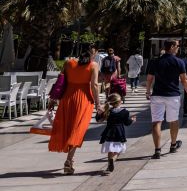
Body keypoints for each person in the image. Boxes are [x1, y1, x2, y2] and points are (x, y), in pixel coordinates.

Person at [48, 45, 100, 175]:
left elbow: (60, 82)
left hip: (67, 98)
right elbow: (94, 85)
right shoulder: (93, 65)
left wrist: (53, 100)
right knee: (78, 130)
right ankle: (69, 160)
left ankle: (70, 159)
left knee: (70, 128)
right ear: (93, 54)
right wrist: (98, 104)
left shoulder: (68, 63)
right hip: (84, 100)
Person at [146, 39, 187, 159]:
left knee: (156, 122)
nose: (178, 48)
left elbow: (149, 78)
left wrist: (148, 91)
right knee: (173, 121)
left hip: (157, 95)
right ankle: (173, 145)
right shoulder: (179, 62)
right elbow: (184, 80)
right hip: (173, 95)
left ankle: (157, 150)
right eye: (177, 46)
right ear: (172, 47)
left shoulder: (155, 61)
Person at [98, 92, 134, 175]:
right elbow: (127, 123)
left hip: (108, 132)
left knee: (110, 149)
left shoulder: (108, 111)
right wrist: (132, 120)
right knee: (119, 149)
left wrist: (100, 111)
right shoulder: (124, 112)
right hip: (119, 132)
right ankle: (113, 160)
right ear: (120, 101)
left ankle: (109, 164)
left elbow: (99, 119)